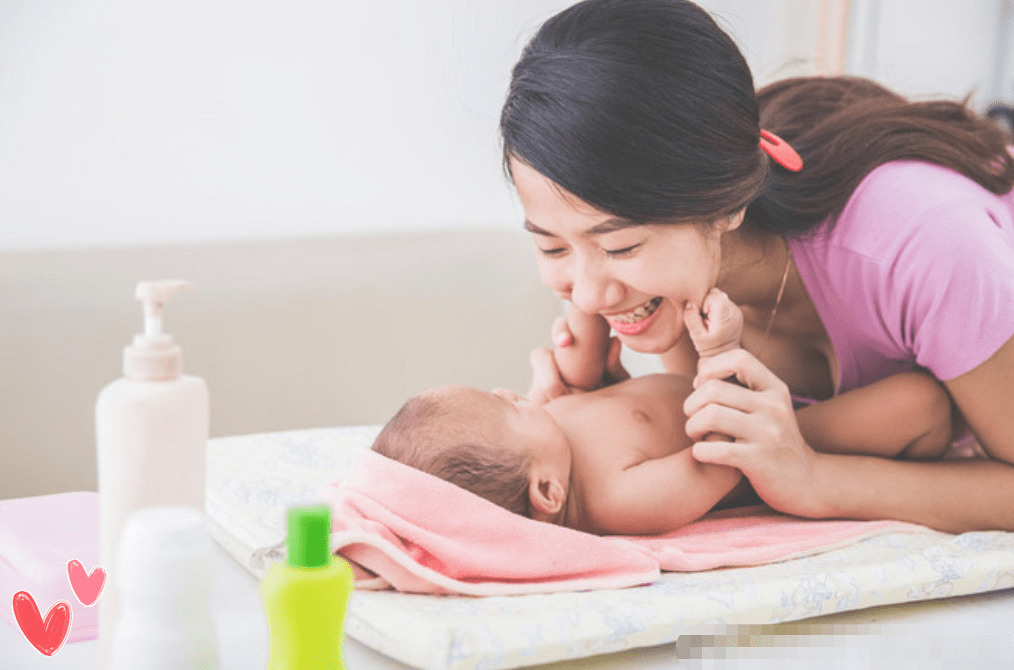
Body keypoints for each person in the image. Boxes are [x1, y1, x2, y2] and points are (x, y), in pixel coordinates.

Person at [499, 0, 1014, 533]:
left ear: (724, 204)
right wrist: (615, 426)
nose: (585, 297)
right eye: (553, 248)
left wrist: (816, 480)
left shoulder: (924, 249)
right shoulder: (678, 296)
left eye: (621, 247)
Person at [372, 289, 954, 536]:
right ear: (546, 492)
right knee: (919, 402)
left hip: (761, 405)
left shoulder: (549, 440)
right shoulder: (618, 502)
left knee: (912, 399)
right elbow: (726, 453)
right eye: (506, 409)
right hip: (790, 438)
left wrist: (582, 325)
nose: (506, 392)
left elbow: (581, 383)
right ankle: (922, 455)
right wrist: (719, 353)